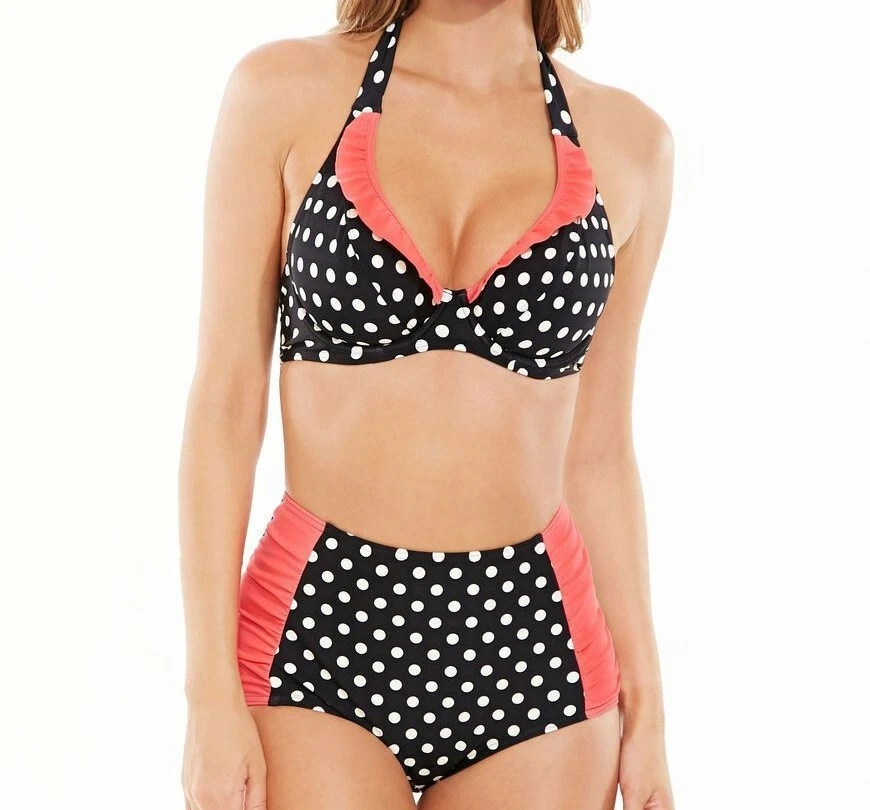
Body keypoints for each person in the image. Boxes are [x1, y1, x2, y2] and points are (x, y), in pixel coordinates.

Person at [178, 1, 674, 808]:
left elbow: (600, 452)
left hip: (538, 647)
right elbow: (226, 405)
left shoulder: (631, 143)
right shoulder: (285, 91)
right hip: (320, 629)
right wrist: (206, 695)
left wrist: (648, 713)